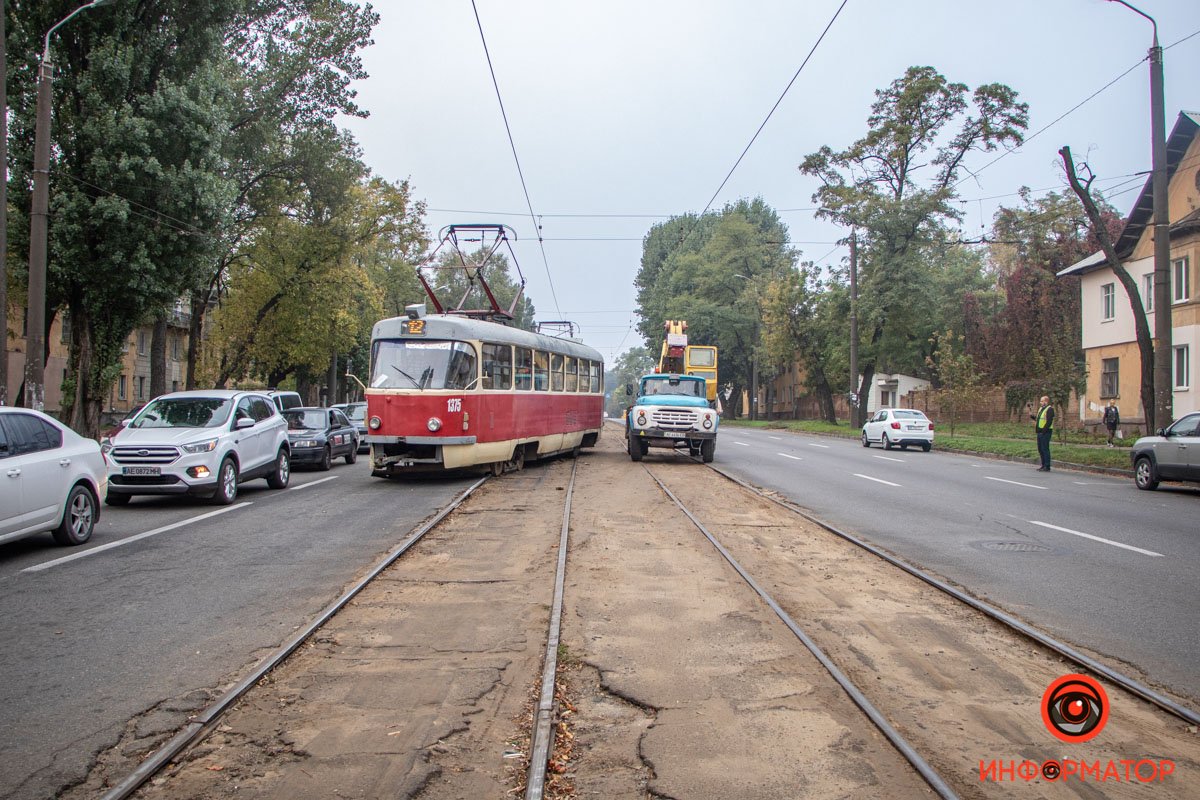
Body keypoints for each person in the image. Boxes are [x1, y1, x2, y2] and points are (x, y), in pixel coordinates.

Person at [1030, 396, 1055, 471]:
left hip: (1046, 432)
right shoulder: (1041, 409)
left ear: (1046, 401)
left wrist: (1043, 431)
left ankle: (1047, 466)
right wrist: (1032, 416)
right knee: (1040, 449)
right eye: (1040, 401)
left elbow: (1049, 421)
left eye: (1042, 401)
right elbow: (1038, 419)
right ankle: (1043, 465)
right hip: (1040, 432)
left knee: (1045, 449)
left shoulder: (1050, 409)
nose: (1040, 402)